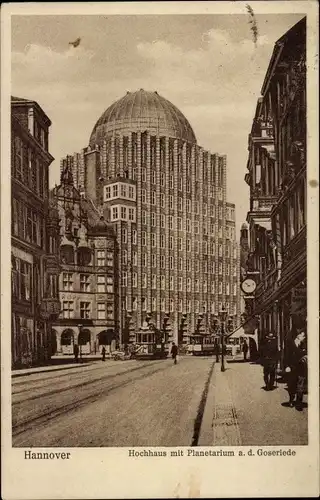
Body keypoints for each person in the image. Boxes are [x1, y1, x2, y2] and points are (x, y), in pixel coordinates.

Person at [285, 330, 307, 410]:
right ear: (298, 335)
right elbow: (286, 355)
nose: (304, 338)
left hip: (301, 368)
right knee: (291, 385)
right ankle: (291, 399)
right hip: (292, 368)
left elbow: (306, 354)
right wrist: (287, 366)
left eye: (304, 336)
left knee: (300, 386)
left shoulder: (305, 345)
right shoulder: (290, 344)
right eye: (303, 336)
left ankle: (299, 403)